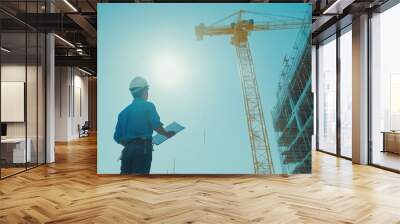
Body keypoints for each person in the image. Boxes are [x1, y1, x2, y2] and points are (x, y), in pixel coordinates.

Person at [114, 76, 175, 174]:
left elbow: (117, 137)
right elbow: (156, 125)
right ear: (144, 91)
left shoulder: (123, 113)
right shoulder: (148, 106)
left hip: (126, 151)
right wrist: (166, 133)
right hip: (143, 148)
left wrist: (131, 144)